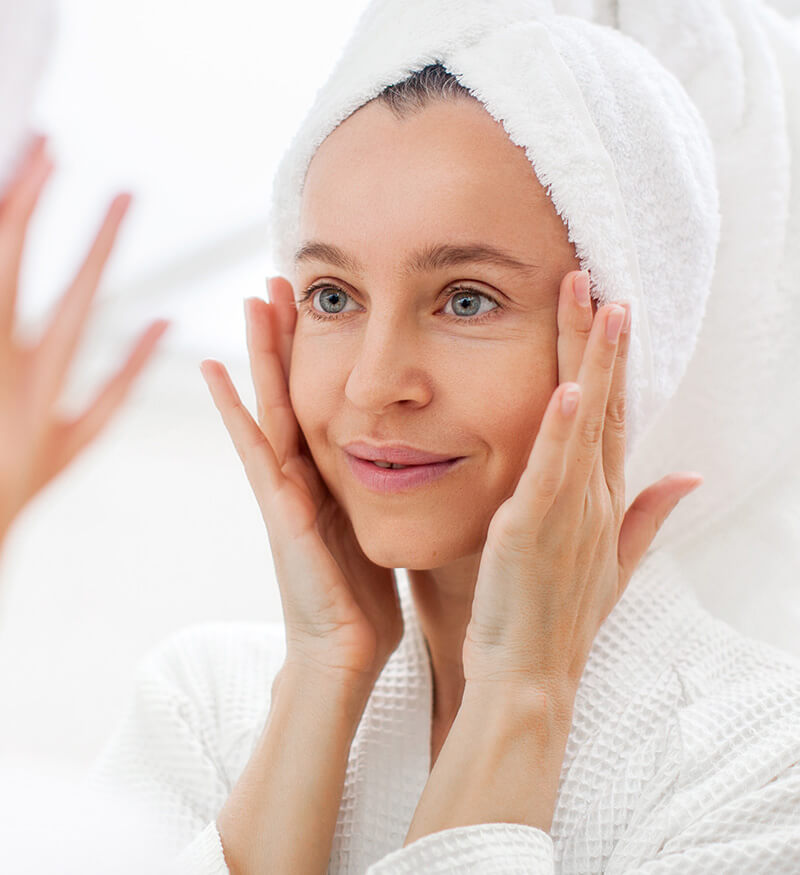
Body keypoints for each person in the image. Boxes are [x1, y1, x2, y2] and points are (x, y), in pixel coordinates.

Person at [89, 3, 800, 874]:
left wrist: (519, 696)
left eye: (466, 299)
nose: (374, 383)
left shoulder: (764, 768)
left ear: (622, 342)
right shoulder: (204, 706)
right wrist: (322, 673)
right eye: (333, 297)